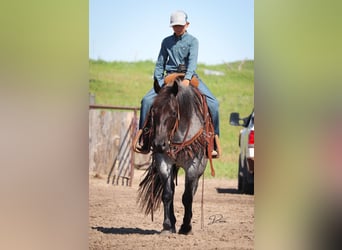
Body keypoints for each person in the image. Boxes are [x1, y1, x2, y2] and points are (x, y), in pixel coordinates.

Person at [135, 10, 220, 157]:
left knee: (214, 104)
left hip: (189, 77)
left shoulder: (193, 41)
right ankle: (144, 138)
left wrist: (187, 79)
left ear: (187, 25)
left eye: (180, 25)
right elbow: (160, 63)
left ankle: (213, 140)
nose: (178, 28)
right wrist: (160, 81)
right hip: (169, 77)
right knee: (146, 101)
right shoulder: (166, 41)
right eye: (175, 26)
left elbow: (192, 62)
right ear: (171, 27)